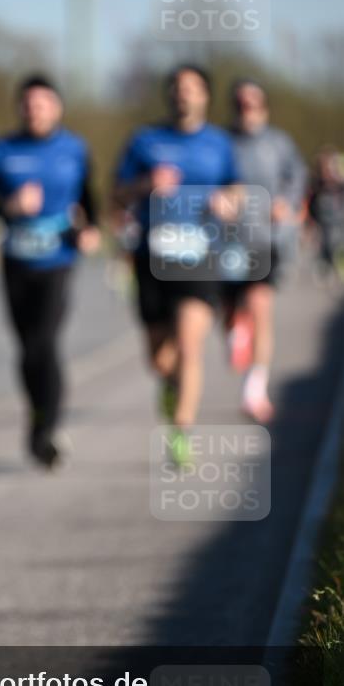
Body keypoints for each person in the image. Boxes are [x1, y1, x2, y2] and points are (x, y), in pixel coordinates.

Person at [112, 65, 242, 463]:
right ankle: (171, 386)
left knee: (190, 345)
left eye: (192, 88)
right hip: (152, 256)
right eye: (177, 88)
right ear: (169, 95)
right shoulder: (145, 140)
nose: (184, 94)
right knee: (160, 359)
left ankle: (181, 431)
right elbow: (115, 195)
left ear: (205, 96)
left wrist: (228, 202)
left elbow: (236, 188)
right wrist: (144, 186)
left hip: (200, 255)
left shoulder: (219, 143)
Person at [0, 75, 100, 470]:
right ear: (20, 108)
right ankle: (38, 415)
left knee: (46, 342)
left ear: (57, 107)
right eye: (28, 103)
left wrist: (90, 229)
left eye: (43, 103)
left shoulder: (75, 149)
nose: (35, 110)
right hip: (15, 259)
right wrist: (9, 205)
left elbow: (88, 197)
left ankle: (48, 429)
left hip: (58, 258)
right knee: (27, 350)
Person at [223, 79, 307, 422]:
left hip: (265, 238)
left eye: (254, 104)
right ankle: (234, 324)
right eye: (241, 104)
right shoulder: (223, 143)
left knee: (261, 306)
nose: (248, 110)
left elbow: (297, 176)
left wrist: (285, 201)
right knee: (229, 310)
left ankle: (254, 390)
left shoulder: (279, 143)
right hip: (227, 240)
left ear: (264, 107)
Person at [308, 148, 344, 282]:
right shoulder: (317, 185)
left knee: (338, 244)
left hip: (339, 221)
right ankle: (326, 266)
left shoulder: (339, 185)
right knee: (326, 245)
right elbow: (311, 204)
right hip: (323, 222)